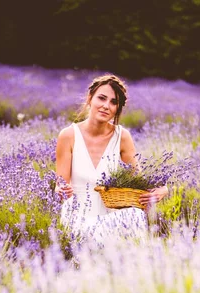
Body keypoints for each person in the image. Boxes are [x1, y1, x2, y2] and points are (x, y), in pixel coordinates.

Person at [55, 73, 168, 242]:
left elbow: (138, 182)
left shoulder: (122, 137)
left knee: (136, 215)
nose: (106, 106)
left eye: (113, 102)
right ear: (90, 99)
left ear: (117, 109)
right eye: (101, 98)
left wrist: (163, 190)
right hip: (77, 218)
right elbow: (60, 185)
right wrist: (61, 191)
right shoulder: (68, 135)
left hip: (109, 220)